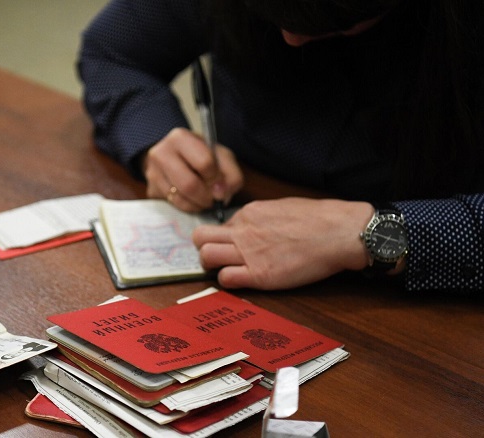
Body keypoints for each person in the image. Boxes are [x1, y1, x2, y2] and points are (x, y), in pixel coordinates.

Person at [77, 0, 483, 293]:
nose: (291, 38)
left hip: (430, 307)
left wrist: (371, 233)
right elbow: (112, 52)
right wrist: (156, 138)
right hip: (244, 253)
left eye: (339, 24)